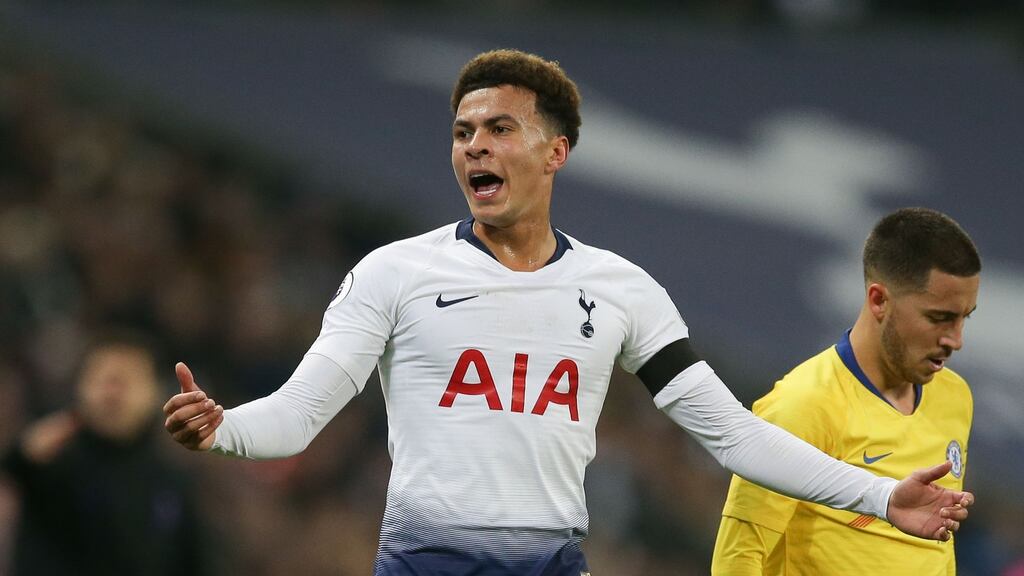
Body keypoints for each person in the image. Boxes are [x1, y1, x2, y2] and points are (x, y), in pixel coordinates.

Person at [163, 49, 972, 575]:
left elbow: (733, 433)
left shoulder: (620, 288)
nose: (474, 145)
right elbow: (300, 416)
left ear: (556, 151)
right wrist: (223, 427)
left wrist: (878, 496)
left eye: (499, 129)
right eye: (462, 131)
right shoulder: (394, 273)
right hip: (423, 564)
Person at [711, 207, 981, 575]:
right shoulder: (803, 405)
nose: (956, 340)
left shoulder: (955, 396)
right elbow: (738, 558)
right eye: (939, 318)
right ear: (879, 301)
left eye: (965, 317)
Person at [1, 329, 210, 576]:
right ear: (80, 387)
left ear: (154, 393)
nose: (113, 393)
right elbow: (13, 475)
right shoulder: (51, 463)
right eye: (103, 379)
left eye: (126, 380)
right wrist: (23, 455)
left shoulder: (174, 480)